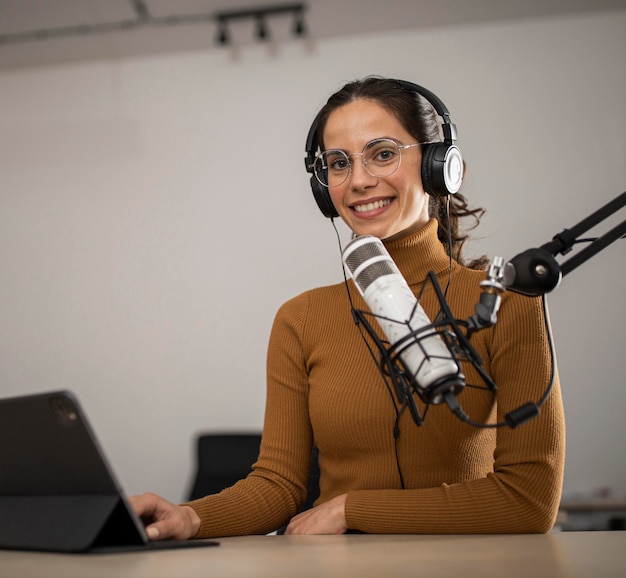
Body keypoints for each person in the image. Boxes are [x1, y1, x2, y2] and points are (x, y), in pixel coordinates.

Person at [130, 76, 565, 538]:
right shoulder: (301, 319)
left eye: (383, 153)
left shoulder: (507, 301)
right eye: (338, 163)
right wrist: (191, 517)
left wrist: (349, 511)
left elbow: (528, 501)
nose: (358, 180)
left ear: (440, 166)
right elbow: (279, 485)